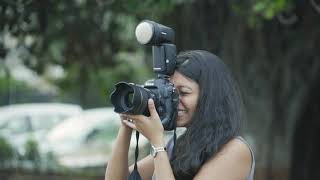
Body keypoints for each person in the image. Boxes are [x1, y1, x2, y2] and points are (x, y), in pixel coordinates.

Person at [105, 50, 255, 180]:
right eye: (170, 93)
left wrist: (157, 143)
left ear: (210, 98)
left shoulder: (234, 150)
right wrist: (127, 123)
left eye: (183, 92)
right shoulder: (178, 146)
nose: (173, 101)